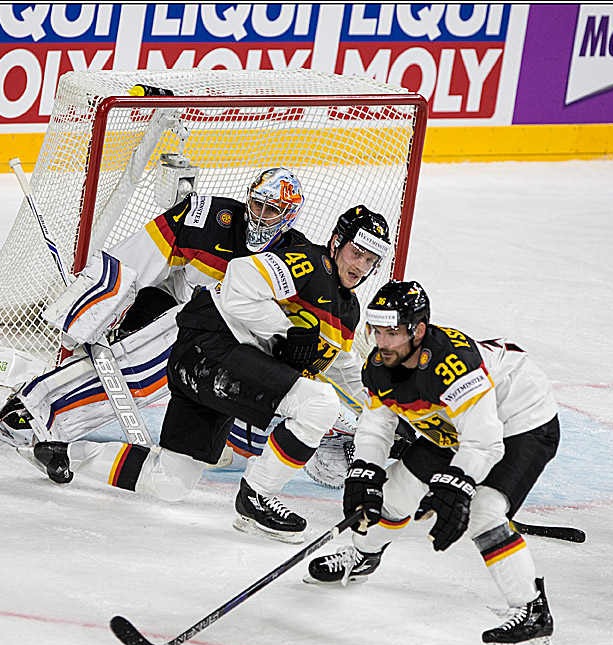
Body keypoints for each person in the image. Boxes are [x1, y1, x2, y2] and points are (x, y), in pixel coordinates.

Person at [32, 206, 392, 543]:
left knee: (170, 481)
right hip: (212, 347)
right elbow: (238, 279)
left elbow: (343, 366)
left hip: (215, 369)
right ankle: (257, 498)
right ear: (336, 243)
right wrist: (284, 328)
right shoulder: (309, 263)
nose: (360, 265)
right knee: (319, 404)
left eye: (370, 260)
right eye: (356, 252)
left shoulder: (347, 311)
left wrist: (390, 412)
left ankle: (61, 453)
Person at [0, 168, 327, 465]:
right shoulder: (208, 217)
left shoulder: (297, 259)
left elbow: (303, 327)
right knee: (129, 366)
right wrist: (93, 307)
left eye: (272, 210)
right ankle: (35, 409)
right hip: (171, 308)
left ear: (289, 216)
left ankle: (44, 409)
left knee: (149, 380)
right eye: (257, 205)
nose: (260, 216)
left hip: (222, 340)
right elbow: (139, 254)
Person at [305, 280, 561, 645]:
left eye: (392, 332)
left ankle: (533, 616)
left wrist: (457, 485)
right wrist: (364, 470)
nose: (382, 341)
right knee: (392, 492)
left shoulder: (451, 365)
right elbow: (377, 426)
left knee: (483, 510)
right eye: (377, 331)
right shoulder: (379, 365)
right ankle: (364, 554)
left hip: (521, 419)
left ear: (418, 330)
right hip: (457, 424)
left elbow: (485, 442)